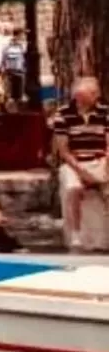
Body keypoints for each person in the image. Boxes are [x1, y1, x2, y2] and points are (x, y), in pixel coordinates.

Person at [51, 75, 109, 250]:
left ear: (95, 95)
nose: (80, 101)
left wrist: (105, 164)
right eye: (78, 96)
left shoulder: (105, 112)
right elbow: (64, 150)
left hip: (100, 160)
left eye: (85, 97)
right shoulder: (63, 114)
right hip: (74, 162)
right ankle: (76, 234)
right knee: (73, 188)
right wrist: (81, 171)